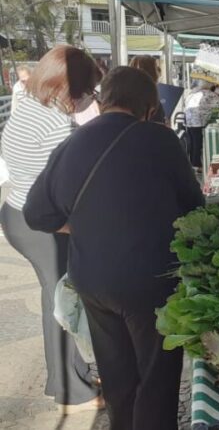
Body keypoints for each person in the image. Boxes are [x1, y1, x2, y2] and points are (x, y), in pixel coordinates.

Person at [24, 66, 205, 430]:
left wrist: (81, 225)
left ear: (103, 99)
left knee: (117, 374)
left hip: (93, 280)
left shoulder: (71, 143)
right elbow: (195, 210)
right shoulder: (161, 140)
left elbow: (35, 213)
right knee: (156, 377)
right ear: (150, 106)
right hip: (150, 280)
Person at [0, 45, 103, 413]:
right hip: (42, 224)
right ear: (65, 88)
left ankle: (73, 373)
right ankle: (67, 390)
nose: (89, 99)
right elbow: (68, 186)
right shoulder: (56, 123)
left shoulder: (29, 102)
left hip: (17, 212)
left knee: (61, 296)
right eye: (88, 92)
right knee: (59, 302)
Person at [184, 80, 219, 168]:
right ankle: (197, 165)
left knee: (193, 142)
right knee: (198, 143)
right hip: (198, 120)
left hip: (189, 120)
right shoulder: (208, 94)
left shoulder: (194, 91)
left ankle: (192, 164)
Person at [129, 55, 167, 125]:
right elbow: (158, 127)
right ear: (151, 71)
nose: (159, 71)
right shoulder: (151, 99)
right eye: (156, 67)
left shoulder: (127, 96)